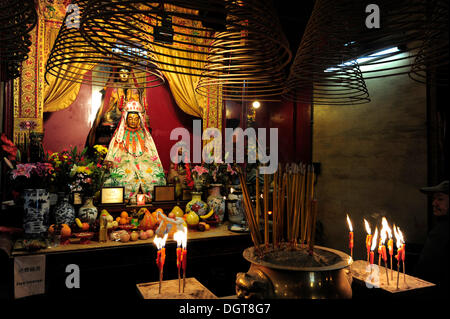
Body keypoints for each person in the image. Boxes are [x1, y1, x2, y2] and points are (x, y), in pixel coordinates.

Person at [103, 100, 166, 200]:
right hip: (125, 165)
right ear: (126, 119)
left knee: (153, 177)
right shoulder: (119, 135)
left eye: (136, 119)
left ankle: (146, 196)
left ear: (139, 120)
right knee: (120, 178)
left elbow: (152, 154)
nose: (133, 121)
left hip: (144, 165)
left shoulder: (145, 135)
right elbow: (113, 152)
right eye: (130, 118)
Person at [415, 180, 449, 296]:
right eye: (434, 199)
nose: (434, 203)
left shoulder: (443, 231)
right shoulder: (440, 226)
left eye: (440, 199)